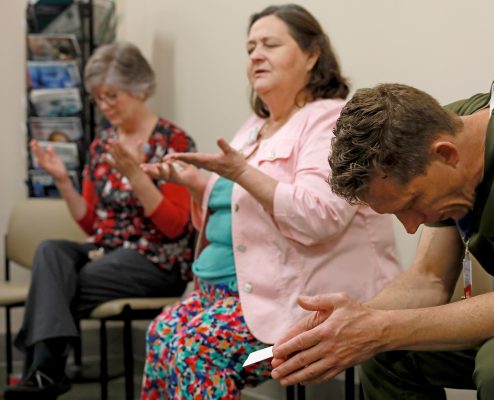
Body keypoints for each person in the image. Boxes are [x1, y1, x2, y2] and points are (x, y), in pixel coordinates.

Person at [270, 75, 494, 399]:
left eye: (411, 204)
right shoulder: (437, 135)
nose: (411, 227)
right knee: (384, 354)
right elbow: (428, 279)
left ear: (445, 154)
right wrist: (353, 323)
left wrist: (379, 330)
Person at [139, 4, 401, 399]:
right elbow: (240, 214)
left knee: (195, 351)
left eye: (270, 44)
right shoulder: (253, 128)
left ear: (312, 55)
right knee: (161, 335)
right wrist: (196, 185)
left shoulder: (331, 120)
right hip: (232, 294)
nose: (256, 54)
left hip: (302, 305)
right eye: (250, 48)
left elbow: (321, 217)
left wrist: (240, 173)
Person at [4, 42, 196, 400]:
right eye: (98, 99)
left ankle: (43, 370)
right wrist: (63, 180)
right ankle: (46, 370)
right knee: (51, 253)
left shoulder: (174, 141)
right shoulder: (101, 144)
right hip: (107, 254)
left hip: (157, 260)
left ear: (139, 88)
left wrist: (137, 177)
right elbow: (93, 225)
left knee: (55, 285)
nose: (105, 106)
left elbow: (177, 226)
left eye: (112, 96)